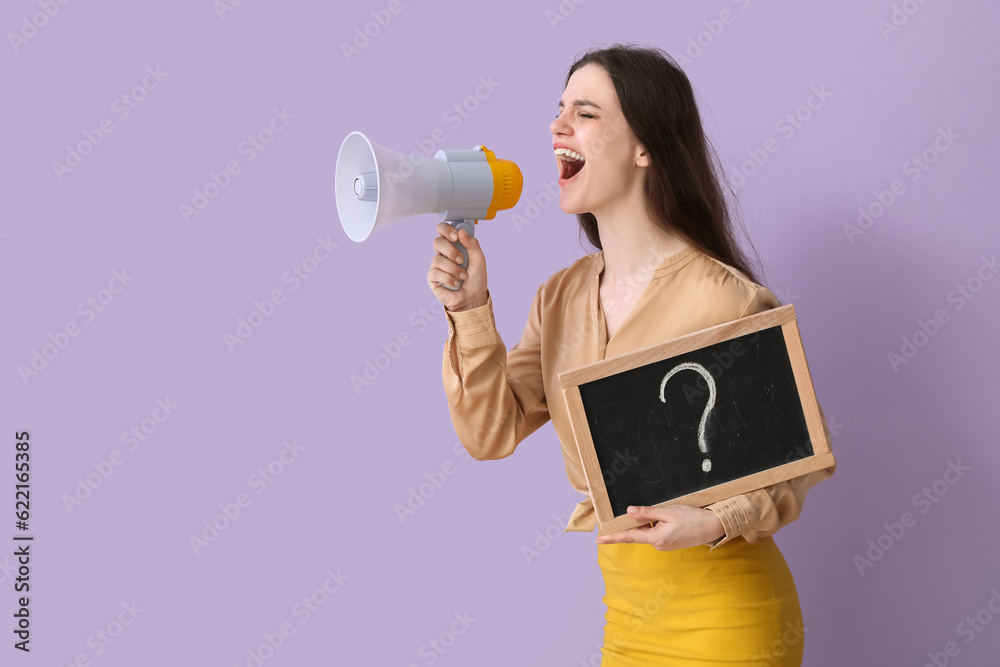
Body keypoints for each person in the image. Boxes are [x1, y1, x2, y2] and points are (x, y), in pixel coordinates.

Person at [426, 42, 836, 666]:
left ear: (645, 147)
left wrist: (716, 519)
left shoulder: (723, 298)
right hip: (629, 625)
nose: (557, 126)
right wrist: (470, 310)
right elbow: (490, 432)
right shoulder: (560, 296)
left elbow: (800, 461)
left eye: (585, 113)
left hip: (727, 621)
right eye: (559, 109)